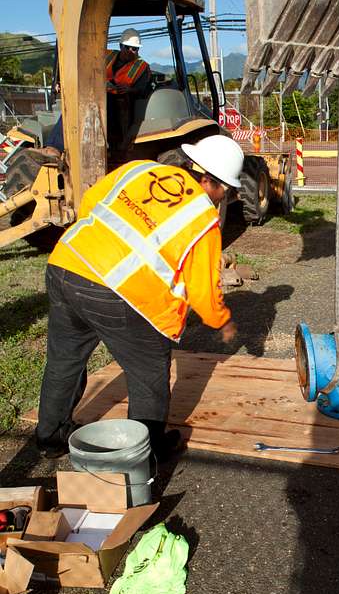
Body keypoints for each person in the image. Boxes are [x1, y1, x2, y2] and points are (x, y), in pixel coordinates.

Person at [35, 135, 244, 461]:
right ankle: (144, 454)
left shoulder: (139, 170)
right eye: (225, 190)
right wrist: (221, 321)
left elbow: (91, 202)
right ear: (208, 181)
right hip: (117, 293)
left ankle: (50, 437)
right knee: (149, 376)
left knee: (65, 359)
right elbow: (202, 290)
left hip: (67, 264)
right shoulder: (203, 219)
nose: (223, 197)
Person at [106, 28, 152, 153]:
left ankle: (122, 145)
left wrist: (130, 90)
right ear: (121, 46)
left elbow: (144, 91)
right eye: (128, 47)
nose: (131, 51)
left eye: (135, 49)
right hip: (101, 96)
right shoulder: (107, 55)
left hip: (125, 102)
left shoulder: (142, 66)